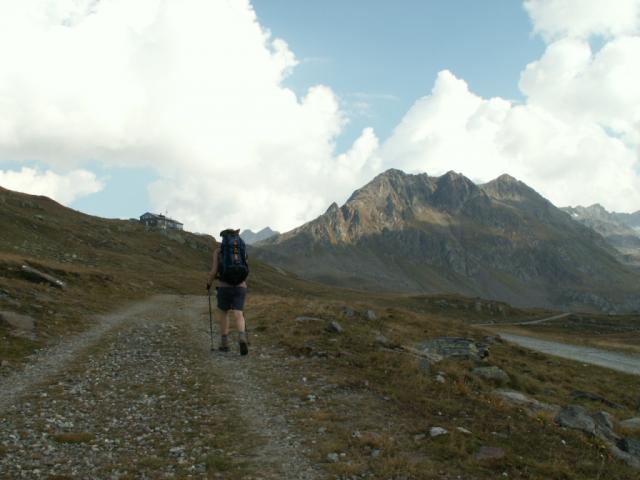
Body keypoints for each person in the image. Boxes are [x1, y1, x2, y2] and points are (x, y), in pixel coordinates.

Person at [206, 229, 249, 355]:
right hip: (241, 286)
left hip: (224, 286)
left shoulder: (219, 251)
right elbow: (246, 267)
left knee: (224, 313)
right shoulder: (242, 249)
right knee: (239, 313)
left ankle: (224, 344)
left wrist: (208, 283)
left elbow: (214, 271)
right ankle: (242, 337)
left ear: (223, 238)